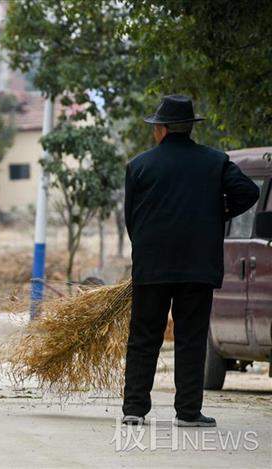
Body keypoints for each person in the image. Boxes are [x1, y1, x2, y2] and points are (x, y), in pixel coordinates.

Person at [122, 95, 259, 427]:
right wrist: (219, 213)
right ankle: (187, 412)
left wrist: (145, 244)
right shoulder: (214, 162)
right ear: (189, 128)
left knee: (144, 337)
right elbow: (249, 193)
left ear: (162, 129)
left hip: (151, 266)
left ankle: (134, 410)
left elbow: (131, 219)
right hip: (197, 267)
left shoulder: (139, 166)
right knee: (191, 338)